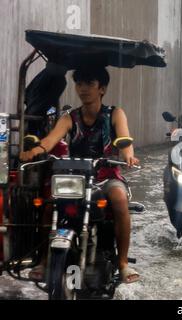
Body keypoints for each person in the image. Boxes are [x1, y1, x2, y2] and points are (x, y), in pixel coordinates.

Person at [20, 67, 140, 284]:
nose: (83, 89)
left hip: (106, 176)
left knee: (120, 200)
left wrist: (128, 155)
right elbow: (50, 141)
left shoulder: (114, 113)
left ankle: (122, 263)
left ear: (101, 88)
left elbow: (124, 138)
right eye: (79, 84)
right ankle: (46, 261)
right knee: (49, 206)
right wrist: (32, 152)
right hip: (74, 177)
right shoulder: (70, 118)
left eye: (89, 84)